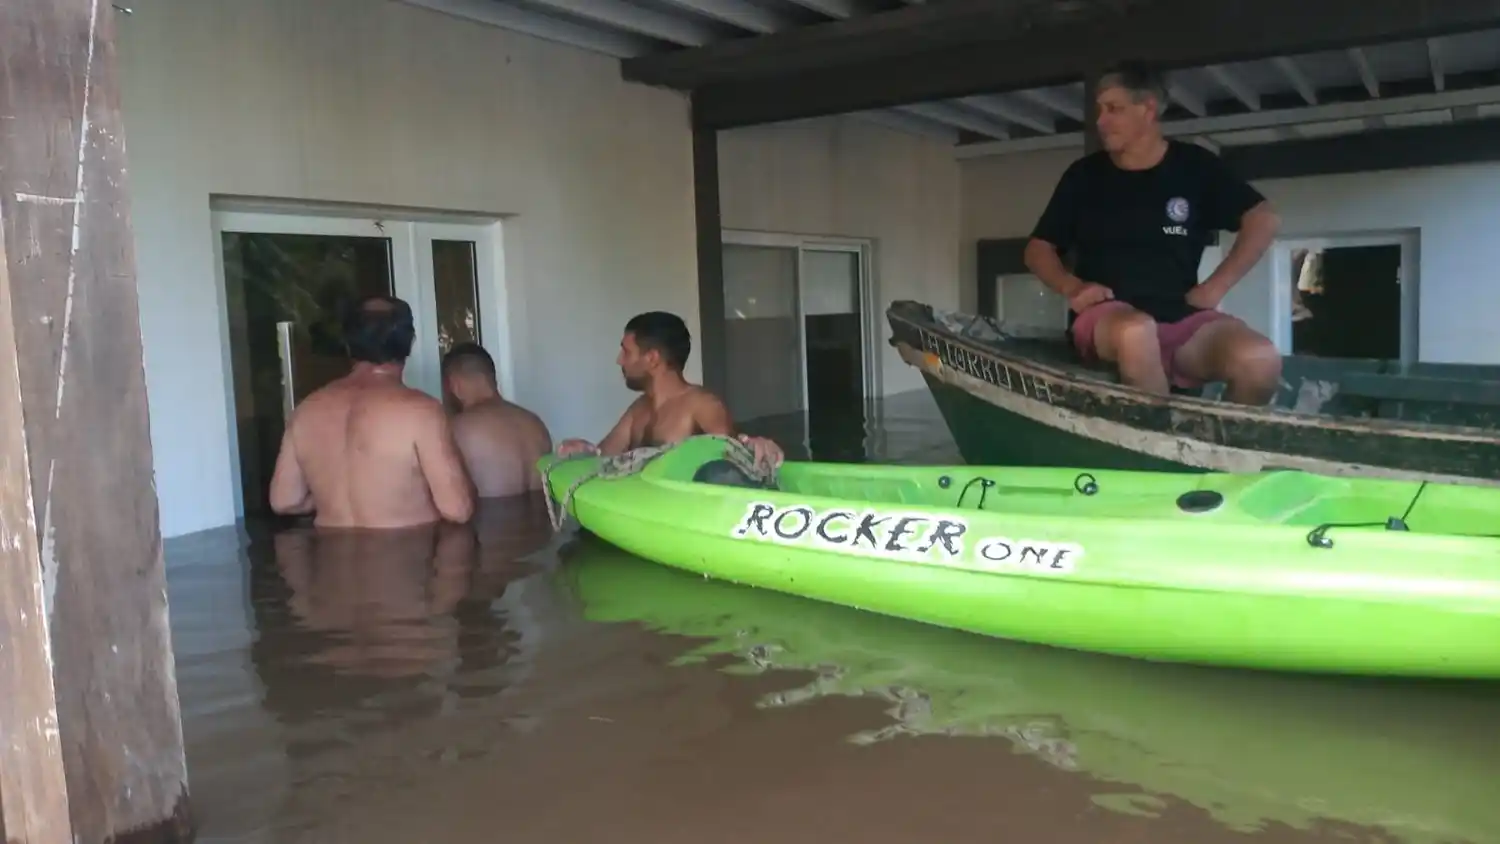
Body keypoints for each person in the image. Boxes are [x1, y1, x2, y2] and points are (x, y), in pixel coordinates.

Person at [1023, 61, 1284, 405]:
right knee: (1136, 332)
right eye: (1099, 110)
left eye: (1114, 109)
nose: (1101, 121)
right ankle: (1164, 452)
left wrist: (1215, 287)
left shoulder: (1196, 167)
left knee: (1259, 359)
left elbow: (1263, 218)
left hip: (1181, 317)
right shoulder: (1084, 176)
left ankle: (1216, 453)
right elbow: (1038, 249)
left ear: (1147, 109)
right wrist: (1072, 287)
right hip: (1108, 319)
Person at [268, 294, 475, 528]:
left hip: (332, 558)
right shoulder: (421, 412)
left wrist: (327, 496)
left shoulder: (305, 410)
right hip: (405, 556)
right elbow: (458, 509)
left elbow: (284, 501)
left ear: (348, 344)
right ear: (409, 342)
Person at [556, 311, 784, 484]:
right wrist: (582, 449)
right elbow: (602, 459)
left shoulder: (701, 404)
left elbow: (734, 459)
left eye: (626, 351)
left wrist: (755, 444)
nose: (619, 360)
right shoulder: (638, 411)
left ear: (652, 358)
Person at [441, 342, 553, 498]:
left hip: (489, 521)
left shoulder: (459, 428)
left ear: (454, 384)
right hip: (544, 521)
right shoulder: (535, 423)